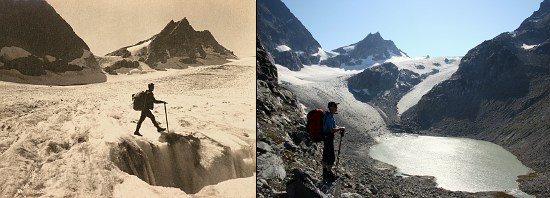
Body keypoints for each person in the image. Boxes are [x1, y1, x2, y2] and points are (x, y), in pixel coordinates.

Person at [322, 101, 345, 182]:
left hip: (326, 137)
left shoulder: (329, 116)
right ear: (331, 107)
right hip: (328, 137)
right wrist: (340, 129)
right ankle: (328, 173)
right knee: (331, 157)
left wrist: (339, 128)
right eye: (335, 107)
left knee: (325, 154)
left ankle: (324, 172)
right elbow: (331, 130)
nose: (336, 108)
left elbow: (332, 127)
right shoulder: (329, 117)